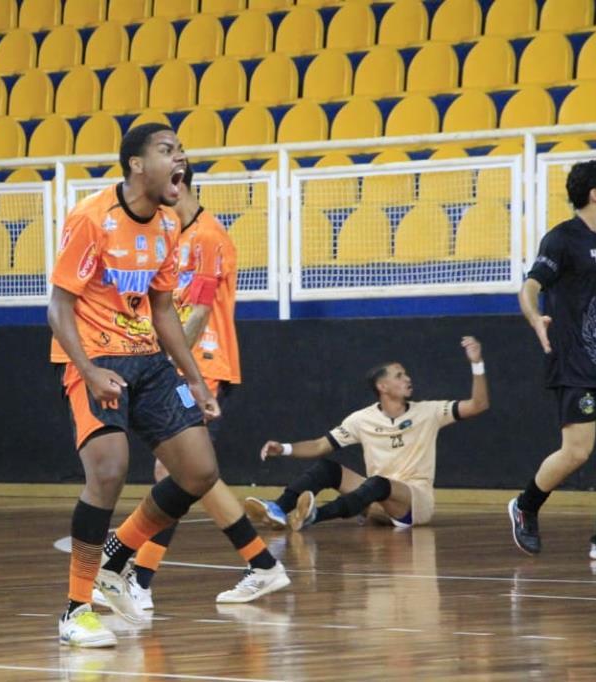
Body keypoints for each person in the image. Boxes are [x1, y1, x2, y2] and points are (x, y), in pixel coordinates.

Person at [48, 124, 285, 649]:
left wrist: (197, 381)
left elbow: (162, 311)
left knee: (199, 470)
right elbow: (58, 306)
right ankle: (76, 609)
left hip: (149, 362)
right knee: (107, 470)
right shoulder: (92, 219)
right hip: (95, 358)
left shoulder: (167, 227)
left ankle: (116, 555)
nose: (180, 156)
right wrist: (87, 370)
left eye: (181, 148)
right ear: (136, 164)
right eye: (167, 149)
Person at [93, 164, 288, 611]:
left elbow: (197, 314)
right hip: (179, 365)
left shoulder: (207, 237)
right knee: (195, 475)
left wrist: (171, 366)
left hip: (203, 364)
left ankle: (137, 579)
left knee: (178, 472)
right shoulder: (168, 235)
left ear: (178, 184)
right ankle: (261, 565)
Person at [509, 157, 596, 561]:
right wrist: (535, 317)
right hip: (576, 361)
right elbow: (530, 286)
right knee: (577, 451)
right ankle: (526, 506)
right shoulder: (562, 239)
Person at [245, 337, 489, 531]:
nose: (408, 379)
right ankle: (278, 509)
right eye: (399, 376)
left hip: (414, 501)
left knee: (377, 483)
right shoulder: (362, 419)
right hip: (373, 496)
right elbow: (320, 445)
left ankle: (316, 515)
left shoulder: (429, 411)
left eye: (406, 374)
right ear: (382, 387)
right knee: (326, 469)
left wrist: (477, 364)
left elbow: (478, 405)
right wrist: (284, 448)